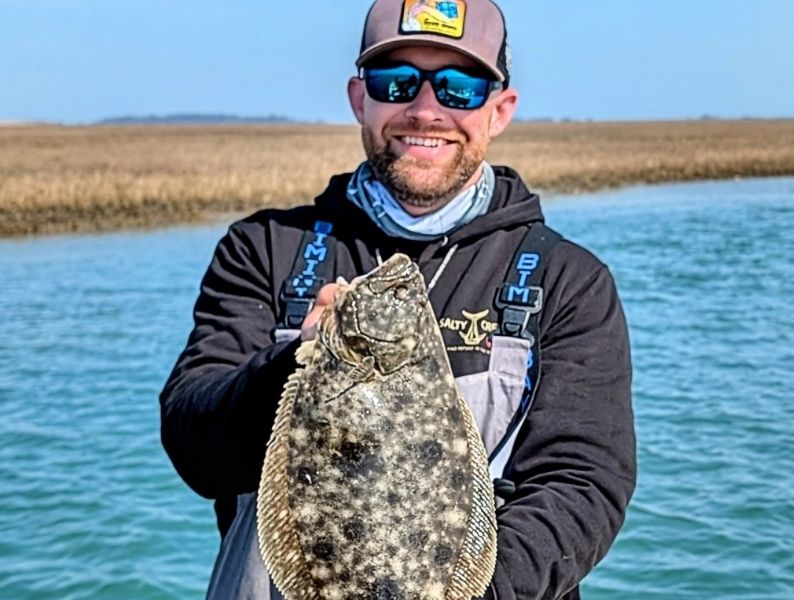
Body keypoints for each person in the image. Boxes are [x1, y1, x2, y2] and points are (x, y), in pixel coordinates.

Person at [159, 0, 636, 598]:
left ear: (500, 109)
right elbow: (193, 447)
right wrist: (297, 365)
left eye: (459, 87)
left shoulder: (569, 280)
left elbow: (583, 484)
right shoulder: (264, 250)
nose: (426, 109)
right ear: (361, 98)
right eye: (397, 83)